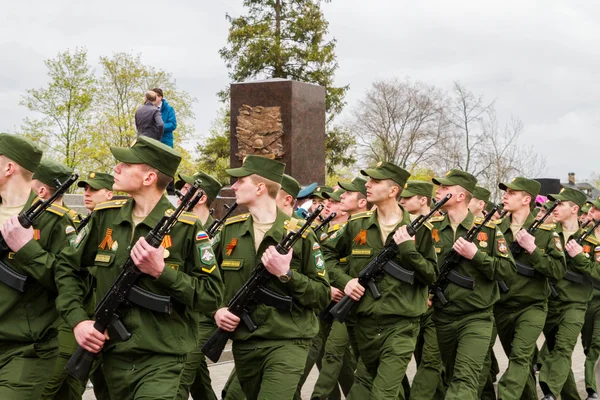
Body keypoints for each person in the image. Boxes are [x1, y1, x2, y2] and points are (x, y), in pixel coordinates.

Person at [55, 136, 223, 399]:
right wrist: (78, 321)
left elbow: (211, 294)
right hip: (110, 356)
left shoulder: (186, 228)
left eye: (126, 164)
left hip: (163, 358)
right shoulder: (105, 216)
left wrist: (161, 271)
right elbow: (66, 266)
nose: (117, 168)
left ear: (149, 178)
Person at [212, 155, 330, 400]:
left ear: (260, 187)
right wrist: (217, 310)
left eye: (240, 180)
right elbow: (209, 283)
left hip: (288, 340)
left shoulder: (301, 234)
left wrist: (286, 275)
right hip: (245, 342)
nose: (233, 186)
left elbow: (322, 295)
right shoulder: (231, 231)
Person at [322, 162, 437, 400]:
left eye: (375, 181)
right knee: (370, 389)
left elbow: (431, 275)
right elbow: (324, 255)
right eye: (368, 181)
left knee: (382, 394)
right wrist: (345, 282)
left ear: (393, 191)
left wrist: (409, 250)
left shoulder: (421, 230)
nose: (367, 185)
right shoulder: (357, 224)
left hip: (402, 323)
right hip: (364, 322)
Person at [0, 133, 76, 398]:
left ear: (9, 167)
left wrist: (27, 249)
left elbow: (71, 284)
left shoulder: (54, 221)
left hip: (24, 350)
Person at [429, 169, 516, 399]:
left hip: (476, 317)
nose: (438, 191)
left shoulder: (487, 229)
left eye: (445, 188)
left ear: (460, 196)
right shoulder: (431, 229)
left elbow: (508, 270)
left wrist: (476, 255)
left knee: (465, 380)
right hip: (442, 316)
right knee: (449, 377)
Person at [494, 177, 566, 400]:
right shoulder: (496, 229)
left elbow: (558, 270)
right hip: (502, 306)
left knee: (519, 357)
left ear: (526, 199)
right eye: (505, 192)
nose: (505, 196)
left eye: (511, 193)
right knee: (521, 364)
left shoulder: (546, 232)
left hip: (532, 306)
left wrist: (533, 250)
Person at [538, 188, 595, 400]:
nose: (555, 208)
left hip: (575, 303)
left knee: (563, 348)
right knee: (556, 350)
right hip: (550, 302)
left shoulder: (591, 241)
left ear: (574, 209)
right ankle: (570, 395)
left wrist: (579, 257)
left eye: (560, 204)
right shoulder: (547, 234)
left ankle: (548, 390)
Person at [175, 171, 223, 400]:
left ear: (201, 197)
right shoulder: (179, 228)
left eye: (185, 190)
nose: (179, 194)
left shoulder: (221, 234)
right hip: (183, 312)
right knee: (199, 381)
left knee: (180, 376)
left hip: (206, 316)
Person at [400, 180, 445, 400]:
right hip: (413, 303)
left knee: (431, 361)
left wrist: (432, 293)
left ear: (423, 200)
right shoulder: (402, 226)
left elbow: (439, 266)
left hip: (437, 304)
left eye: (408, 197)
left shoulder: (439, 226)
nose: (402, 201)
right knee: (421, 360)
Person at [581, 197, 600, 400]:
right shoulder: (583, 237)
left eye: (596, 210)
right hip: (585, 299)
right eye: (591, 209)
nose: (591, 213)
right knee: (587, 345)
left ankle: (592, 390)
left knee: (596, 344)